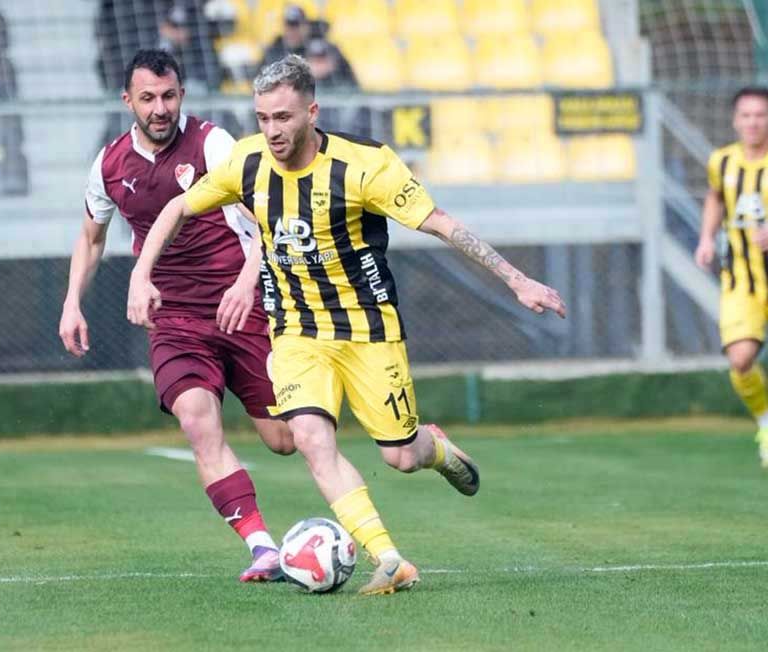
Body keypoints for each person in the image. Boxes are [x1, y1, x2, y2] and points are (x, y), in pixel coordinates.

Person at [127, 55, 566, 595]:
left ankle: (439, 450)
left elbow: (444, 226)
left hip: (367, 331)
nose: (272, 131)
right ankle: (389, 558)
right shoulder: (247, 162)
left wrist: (517, 280)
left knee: (400, 455)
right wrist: (141, 274)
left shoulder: (365, 166)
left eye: (283, 118)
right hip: (294, 332)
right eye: (263, 118)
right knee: (311, 437)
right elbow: (176, 209)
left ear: (312, 111)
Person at [58, 49, 294, 582]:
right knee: (195, 419)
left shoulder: (213, 144)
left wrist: (244, 282)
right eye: (148, 99)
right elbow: (91, 238)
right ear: (128, 101)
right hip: (175, 318)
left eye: (168, 96)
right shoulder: (110, 164)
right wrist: (72, 302)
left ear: (182, 95)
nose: (159, 108)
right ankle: (263, 547)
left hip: (242, 307)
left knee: (283, 439)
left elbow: (266, 219)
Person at [696, 86, 768, 467]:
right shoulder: (722, 161)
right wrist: (707, 238)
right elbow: (715, 197)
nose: (754, 122)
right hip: (742, 278)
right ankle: (766, 420)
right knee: (741, 359)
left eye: (761, 115)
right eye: (747, 115)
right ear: (736, 120)